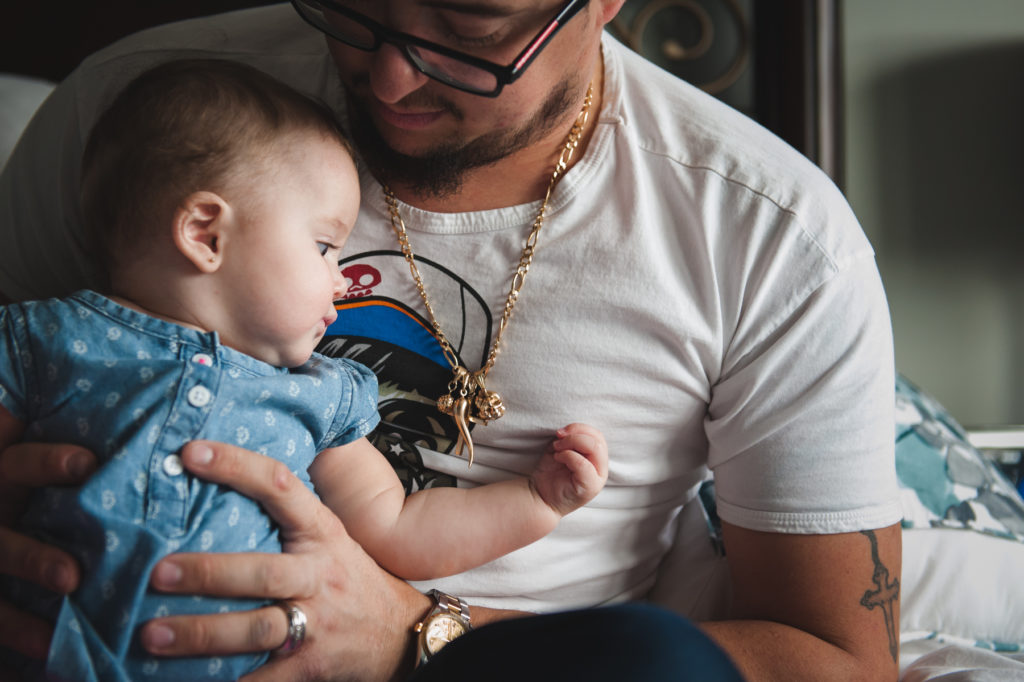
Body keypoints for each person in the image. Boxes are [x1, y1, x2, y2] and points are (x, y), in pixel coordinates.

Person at [0, 1, 903, 681]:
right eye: (355, 8)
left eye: (470, 27)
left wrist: (408, 631)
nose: (391, 77)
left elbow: (838, 663)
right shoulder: (137, 118)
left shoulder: (775, 237)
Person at [0, 58, 609, 681]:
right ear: (205, 233)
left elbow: (397, 524)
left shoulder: (317, 396)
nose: (342, 282)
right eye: (324, 247)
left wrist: (537, 500)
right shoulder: (44, 339)